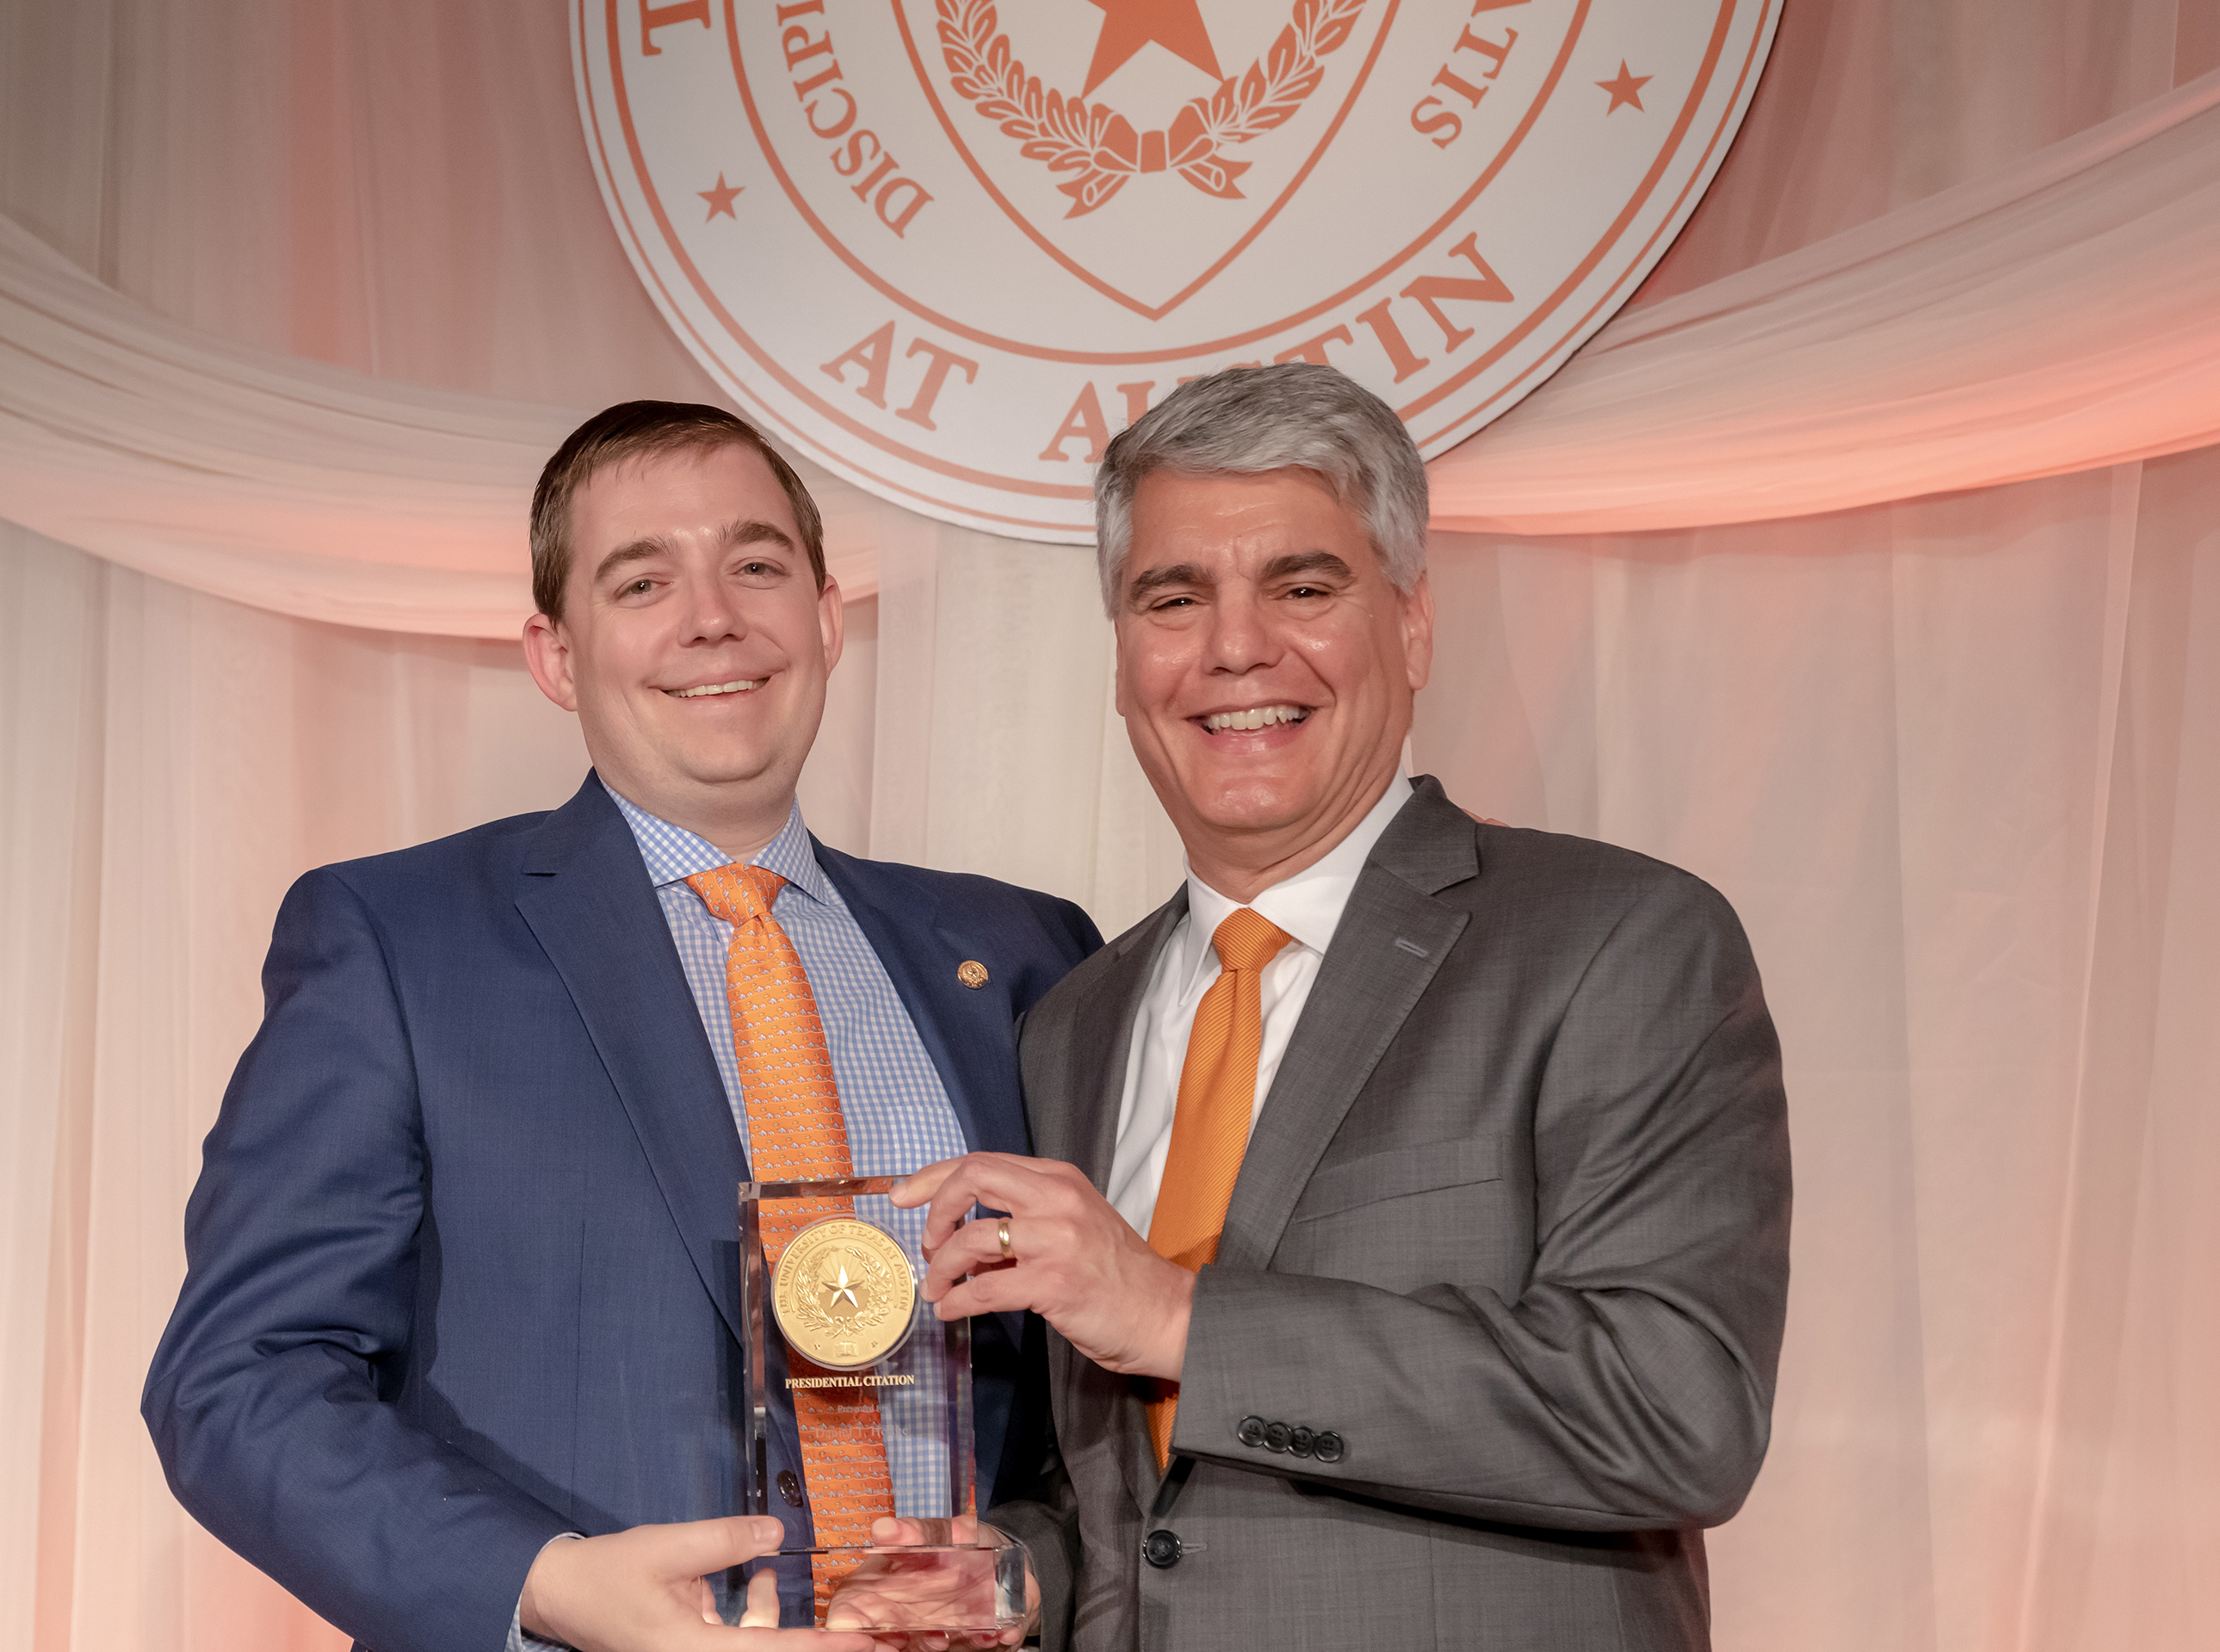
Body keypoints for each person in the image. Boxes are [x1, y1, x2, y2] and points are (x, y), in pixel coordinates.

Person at [144, 401, 1101, 1652]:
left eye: (756, 565)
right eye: (644, 579)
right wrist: (542, 1583)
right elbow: (240, 1384)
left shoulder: (1025, 951)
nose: (715, 615)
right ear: (555, 654)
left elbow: (1100, 1414)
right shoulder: (399, 940)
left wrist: (1024, 1573)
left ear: (823, 615)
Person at [897, 364, 1792, 1650]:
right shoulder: (1073, 1021)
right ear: (1122, 656)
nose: (1235, 647)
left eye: (1303, 588)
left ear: (1414, 624)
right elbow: (1131, 1502)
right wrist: (1001, 1575)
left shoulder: (1618, 941)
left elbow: (1673, 1410)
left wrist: (1175, 1314)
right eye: (1173, 596)